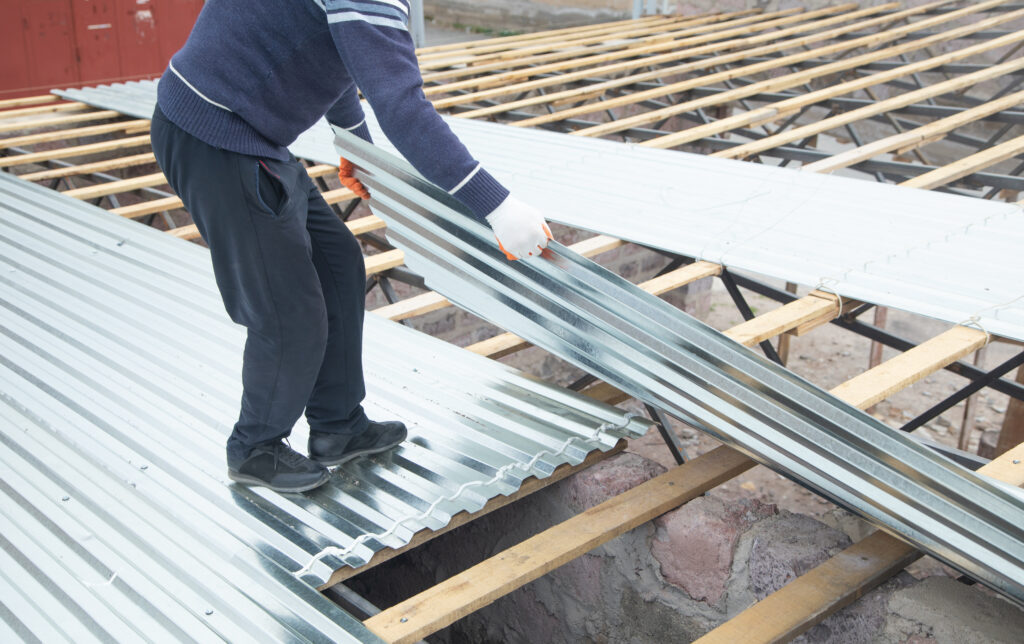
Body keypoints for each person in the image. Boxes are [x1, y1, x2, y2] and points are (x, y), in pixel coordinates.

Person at [151, 0, 551, 493]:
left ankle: (337, 427)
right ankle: (255, 447)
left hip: (255, 134)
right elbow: (403, 109)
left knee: (337, 264)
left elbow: (337, 51)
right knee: (288, 309)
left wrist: (357, 146)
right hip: (212, 134)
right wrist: (497, 206)